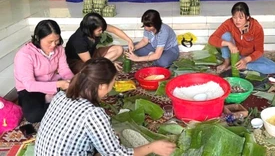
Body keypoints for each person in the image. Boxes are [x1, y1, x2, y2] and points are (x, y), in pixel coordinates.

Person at [35, 58, 176, 155]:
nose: (112, 87)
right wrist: (153, 147)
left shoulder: (61, 95)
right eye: (112, 83)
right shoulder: (93, 113)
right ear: (101, 86)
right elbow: (117, 154)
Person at [14, 20, 73, 123]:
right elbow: (30, 85)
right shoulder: (25, 55)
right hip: (30, 90)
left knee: (77, 97)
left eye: (57, 40)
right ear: (38, 38)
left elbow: (64, 70)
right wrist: (57, 85)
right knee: (33, 116)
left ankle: (51, 101)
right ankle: (53, 103)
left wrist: (72, 81)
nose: (54, 45)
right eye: (49, 42)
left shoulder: (59, 49)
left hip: (51, 83)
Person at [208, 2, 275, 75]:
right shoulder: (229, 23)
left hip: (249, 57)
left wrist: (246, 61)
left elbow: (259, 51)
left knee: (273, 67)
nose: (237, 21)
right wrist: (229, 44)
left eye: (241, 18)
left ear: (247, 17)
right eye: (234, 17)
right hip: (234, 54)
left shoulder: (256, 28)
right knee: (225, 35)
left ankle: (243, 66)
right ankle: (227, 62)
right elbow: (212, 39)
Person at [65, 12, 134, 74]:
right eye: (99, 30)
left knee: (119, 49)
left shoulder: (96, 27)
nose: (102, 32)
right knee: (92, 70)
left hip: (92, 54)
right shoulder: (79, 41)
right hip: (78, 61)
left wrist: (129, 40)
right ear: (90, 30)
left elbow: (114, 30)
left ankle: (102, 64)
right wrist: (110, 63)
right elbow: (89, 62)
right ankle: (103, 65)